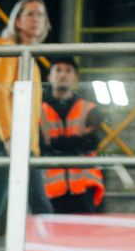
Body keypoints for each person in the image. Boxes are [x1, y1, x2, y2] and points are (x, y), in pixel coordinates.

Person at [0, 0, 54, 238]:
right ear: (17, 21)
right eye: (30, 13)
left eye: (41, 14)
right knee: (0, 204)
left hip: (23, 143)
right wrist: (8, 137)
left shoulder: (30, 59)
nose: (36, 19)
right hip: (3, 139)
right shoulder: (8, 50)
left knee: (30, 204)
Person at [39, 57, 104, 214]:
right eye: (58, 70)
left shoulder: (89, 109)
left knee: (83, 237)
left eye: (68, 70)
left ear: (75, 77)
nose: (63, 75)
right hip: (48, 189)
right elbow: (39, 146)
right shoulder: (38, 110)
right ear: (49, 77)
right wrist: (76, 144)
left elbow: (92, 142)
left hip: (84, 189)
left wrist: (54, 143)